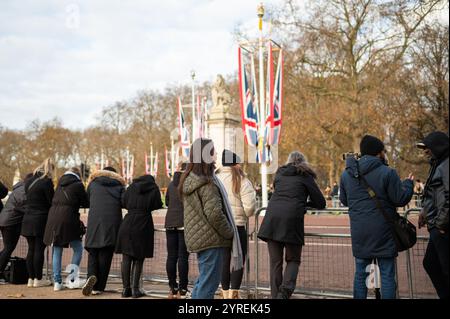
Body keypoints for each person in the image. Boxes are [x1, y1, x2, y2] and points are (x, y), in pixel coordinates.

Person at [339, 135, 414, 299]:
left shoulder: (346, 175)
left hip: (360, 231)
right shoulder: (388, 172)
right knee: (387, 274)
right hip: (384, 231)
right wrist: (408, 184)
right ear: (379, 152)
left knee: (360, 274)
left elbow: (344, 200)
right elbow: (400, 199)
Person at [258, 151, 326, 299]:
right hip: (291, 220)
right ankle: (284, 293)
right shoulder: (305, 176)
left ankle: (275, 296)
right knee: (293, 259)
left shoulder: (280, 174)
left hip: (272, 219)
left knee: (275, 263)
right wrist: (305, 204)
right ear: (304, 162)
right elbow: (321, 203)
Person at [179, 138, 236, 299]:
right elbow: (214, 214)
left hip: (199, 237)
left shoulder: (189, 179)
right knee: (208, 285)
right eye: (213, 151)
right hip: (211, 238)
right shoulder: (207, 183)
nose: (216, 154)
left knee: (203, 281)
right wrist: (229, 232)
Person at [216, 149, 256, 299]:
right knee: (239, 259)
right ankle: (234, 293)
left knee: (224, 259)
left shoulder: (215, 178)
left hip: (221, 225)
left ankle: (225, 292)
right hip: (238, 225)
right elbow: (250, 207)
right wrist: (245, 214)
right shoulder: (242, 180)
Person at [116, 174, 163, 298]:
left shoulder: (131, 187)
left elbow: (123, 202)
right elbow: (158, 203)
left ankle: (126, 289)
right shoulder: (154, 188)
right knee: (139, 258)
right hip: (144, 222)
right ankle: (135, 290)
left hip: (128, 222)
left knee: (126, 258)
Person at [43, 167, 89, 291]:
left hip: (53, 218)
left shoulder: (58, 184)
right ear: (78, 175)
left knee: (57, 250)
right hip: (69, 219)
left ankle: (57, 282)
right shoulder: (78, 185)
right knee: (78, 248)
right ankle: (72, 279)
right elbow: (86, 202)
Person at [82, 167, 126, 296]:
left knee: (93, 253)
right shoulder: (119, 186)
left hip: (94, 222)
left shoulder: (93, 184)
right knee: (105, 255)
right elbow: (124, 202)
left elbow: (88, 199)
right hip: (112, 223)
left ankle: (91, 278)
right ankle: (99, 286)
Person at [417, 131, 449, 299]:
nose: (425, 151)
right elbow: (433, 194)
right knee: (431, 263)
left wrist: (441, 224)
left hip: (442, 227)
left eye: (428, 147)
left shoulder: (446, 165)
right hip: (437, 225)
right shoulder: (437, 164)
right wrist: (424, 210)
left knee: (444, 267)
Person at [21, 158, 55, 288]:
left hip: (27, 218)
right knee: (39, 250)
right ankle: (38, 279)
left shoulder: (28, 181)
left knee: (31, 249)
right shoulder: (46, 182)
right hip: (40, 219)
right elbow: (50, 201)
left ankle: (31, 278)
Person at [0, 173, 32, 281]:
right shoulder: (23, 190)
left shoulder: (18, 189)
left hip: (6, 220)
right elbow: (23, 207)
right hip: (10, 222)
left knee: (7, 248)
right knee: (9, 248)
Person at [164, 162, 189, 299]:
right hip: (184, 221)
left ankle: (172, 287)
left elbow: (167, 202)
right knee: (183, 257)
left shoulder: (170, 184)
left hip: (170, 221)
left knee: (171, 256)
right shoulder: (188, 183)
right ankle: (183, 288)